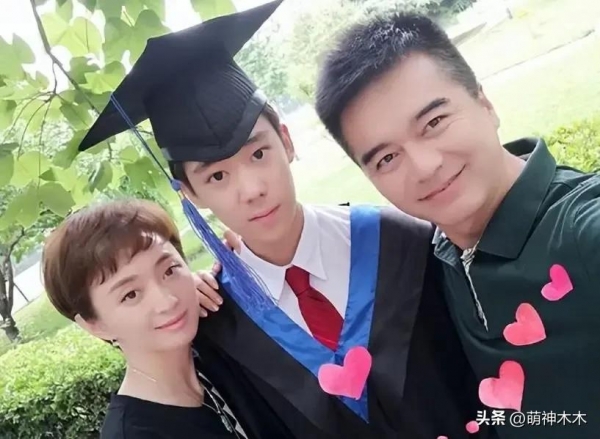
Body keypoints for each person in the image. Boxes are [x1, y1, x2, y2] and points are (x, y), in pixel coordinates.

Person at [77, 2, 487, 438]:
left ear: (286, 141)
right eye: (217, 176)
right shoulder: (217, 325)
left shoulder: (405, 240)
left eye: (259, 153)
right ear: (190, 194)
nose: (251, 188)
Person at [315, 11, 600, 439]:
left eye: (434, 122)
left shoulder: (582, 230)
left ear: (485, 103)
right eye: (387, 158)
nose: (425, 166)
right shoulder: (439, 255)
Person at [41, 199, 252, 439]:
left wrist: (248, 270)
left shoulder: (219, 348)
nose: (167, 301)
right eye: (130, 294)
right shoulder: (135, 433)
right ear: (94, 325)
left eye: (169, 271)